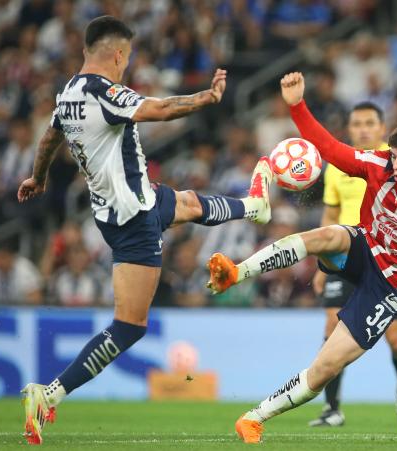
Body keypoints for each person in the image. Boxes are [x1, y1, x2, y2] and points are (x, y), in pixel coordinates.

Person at [206, 71, 397, 444]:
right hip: (365, 250)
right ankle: (237, 271)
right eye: (393, 156)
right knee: (329, 234)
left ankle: (254, 418)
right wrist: (297, 106)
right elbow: (329, 149)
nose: (394, 164)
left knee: (325, 368)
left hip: (390, 288)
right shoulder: (378, 166)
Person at [16, 16, 273, 445]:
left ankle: (254, 206)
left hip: (129, 204)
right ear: (117, 54)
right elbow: (160, 109)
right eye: (127, 57)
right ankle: (50, 394)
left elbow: (47, 141)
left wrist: (38, 178)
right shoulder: (104, 91)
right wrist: (206, 98)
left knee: (188, 202)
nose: (126, 64)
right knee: (129, 326)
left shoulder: (67, 94)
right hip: (133, 218)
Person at [310, 101, 397, 427]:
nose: (362, 129)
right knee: (332, 327)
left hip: (388, 260)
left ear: (381, 128)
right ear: (349, 129)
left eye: (369, 123)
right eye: (356, 123)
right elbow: (330, 215)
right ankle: (332, 408)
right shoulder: (337, 168)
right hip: (346, 257)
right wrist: (322, 262)